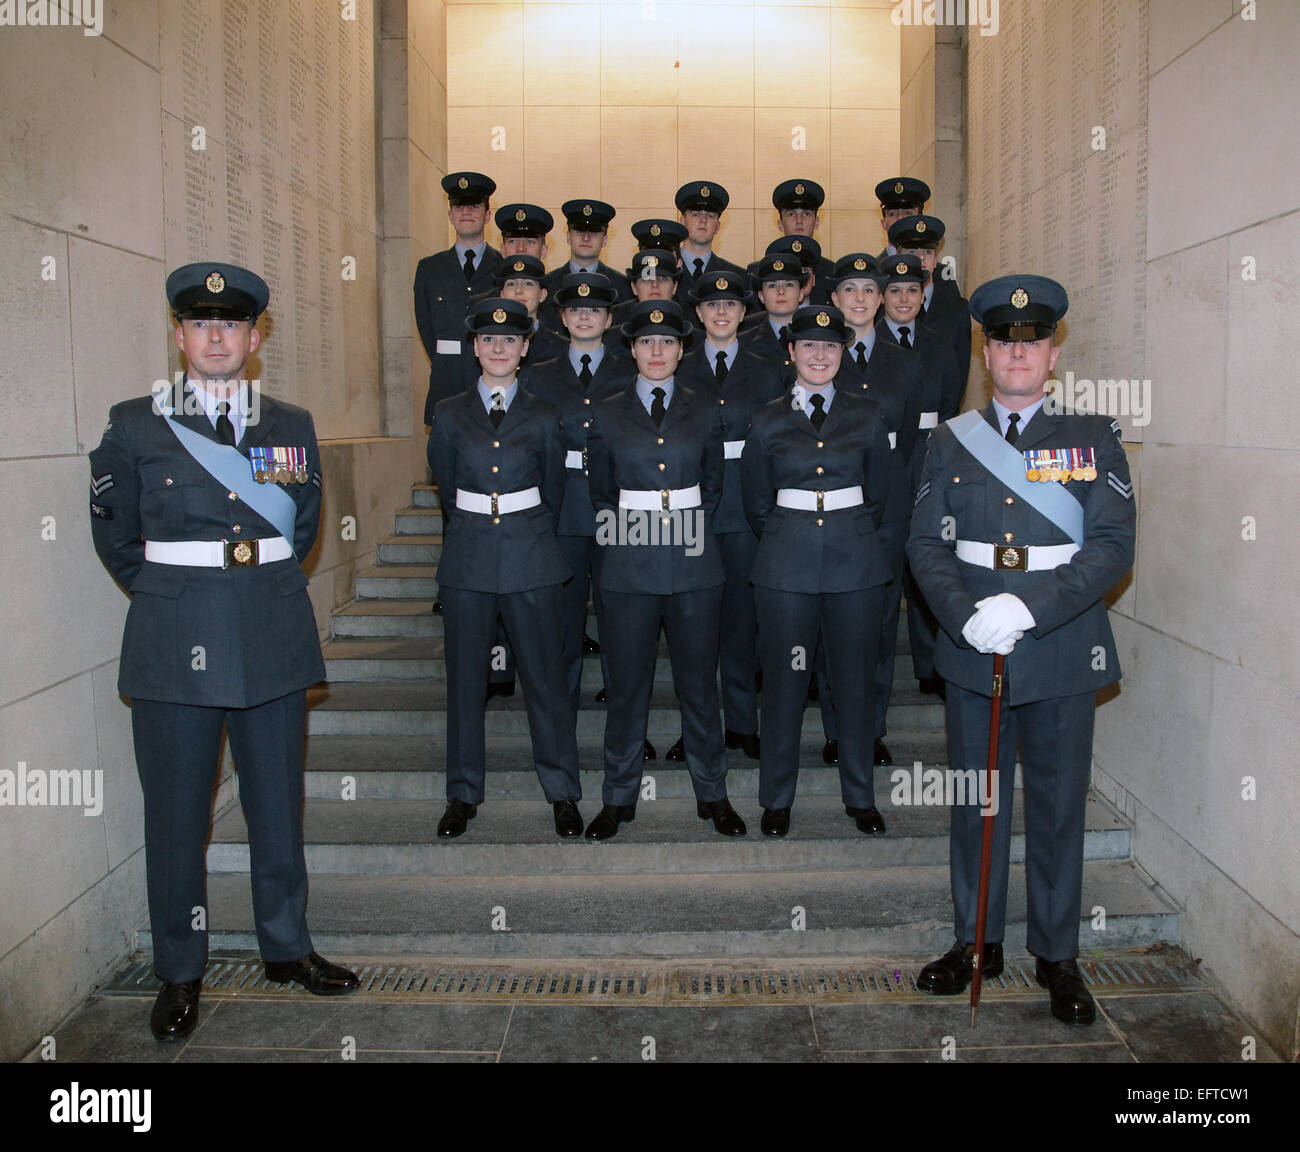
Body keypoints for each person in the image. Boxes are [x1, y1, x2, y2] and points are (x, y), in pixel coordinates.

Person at [89, 262, 358, 1042]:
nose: (216, 336)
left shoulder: (291, 425)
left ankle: (287, 945)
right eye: (201, 324)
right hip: (175, 641)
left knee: (278, 803)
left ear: (253, 336)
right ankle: (179, 968)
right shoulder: (136, 424)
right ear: (178, 336)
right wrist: (179, 592)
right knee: (177, 815)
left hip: (269, 631)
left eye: (231, 324)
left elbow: (300, 528)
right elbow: (118, 536)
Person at [907, 274, 1135, 1027]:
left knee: (1058, 807)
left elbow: (1110, 548)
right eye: (1003, 342)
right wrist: (964, 615)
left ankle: (1057, 955)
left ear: (1051, 352)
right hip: (975, 647)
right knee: (978, 804)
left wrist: (1026, 607)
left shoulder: (1093, 438)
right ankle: (977, 943)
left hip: (1062, 646)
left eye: (1030, 342)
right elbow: (924, 541)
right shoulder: (949, 440)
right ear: (986, 349)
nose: (1016, 353)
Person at [584, 300, 744, 840]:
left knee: (700, 685)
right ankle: (618, 796)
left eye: (668, 343)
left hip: (694, 562)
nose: (657, 351)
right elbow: (602, 491)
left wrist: (683, 528)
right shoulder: (605, 410)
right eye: (647, 343)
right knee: (627, 686)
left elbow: (715, 482)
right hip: (628, 564)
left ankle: (713, 793)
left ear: (682, 350)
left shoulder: (705, 408)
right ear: (630, 349)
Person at [426, 298, 583, 840]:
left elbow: (553, 490)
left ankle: (562, 790)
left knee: (545, 680)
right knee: (466, 683)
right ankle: (462, 793)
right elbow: (448, 488)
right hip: (469, 557)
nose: (498, 348)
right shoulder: (448, 412)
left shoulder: (544, 415)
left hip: (531, 556)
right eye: (489, 341)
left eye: (510, 341)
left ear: (524, 349)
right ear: (475, 348)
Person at [741, 305, 894, 838]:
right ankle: (776, 799)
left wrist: (842, 534)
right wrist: (797, 535)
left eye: (830, 347)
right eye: (809, 346)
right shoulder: (765, 417)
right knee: (784, 683)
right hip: (786, 567)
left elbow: (879, 495)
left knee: (854, 684)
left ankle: (860, 797)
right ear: (791, 353)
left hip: (855, 568)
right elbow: (757, 501)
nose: (820, 355)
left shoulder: (868, 412)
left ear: (843, 353)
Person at [662, 267, 784, 762]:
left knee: (740, 622)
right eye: (711, 305)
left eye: (730, 305)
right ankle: (696, 728)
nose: (720, 313)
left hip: (745, 506)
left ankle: (740, 722)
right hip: (689, 507)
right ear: (697, 313)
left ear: (743, 311)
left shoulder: (768, 368)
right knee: (691, 626)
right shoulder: (674, 365)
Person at [821, 254, 921, 769]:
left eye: (869, 290)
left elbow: (915, 441)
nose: (860, 299)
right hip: (831, 510)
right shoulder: (815, 357)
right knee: (830, 623)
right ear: (834, 300)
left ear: (881, 300)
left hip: (886, 513)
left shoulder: (905, 363)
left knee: (880, 627)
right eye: (849, 290)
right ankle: (835, 728)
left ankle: (871, 728)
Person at [415, 171, 502, 426]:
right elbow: (427, 330)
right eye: (459, 206)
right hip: (446, 388)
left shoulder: (504, 269)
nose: (466, 211)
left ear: (487, 215)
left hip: (493, 392)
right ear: (451, 215)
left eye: (474, 205)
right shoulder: (430, 269)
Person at [888, 213, 970, 417]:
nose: (921, 259)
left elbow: (957, 378)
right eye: (912, 251)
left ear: (936, 260)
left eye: (928, 252)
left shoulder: (957, 309)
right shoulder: (885, 307)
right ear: (899, 257)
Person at [771, 178, 836, 295]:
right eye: (791, 214)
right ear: (780, 224)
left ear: (816, 222)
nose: (799, 220)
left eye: (806, 214)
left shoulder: (833, 273)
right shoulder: (761, 272)